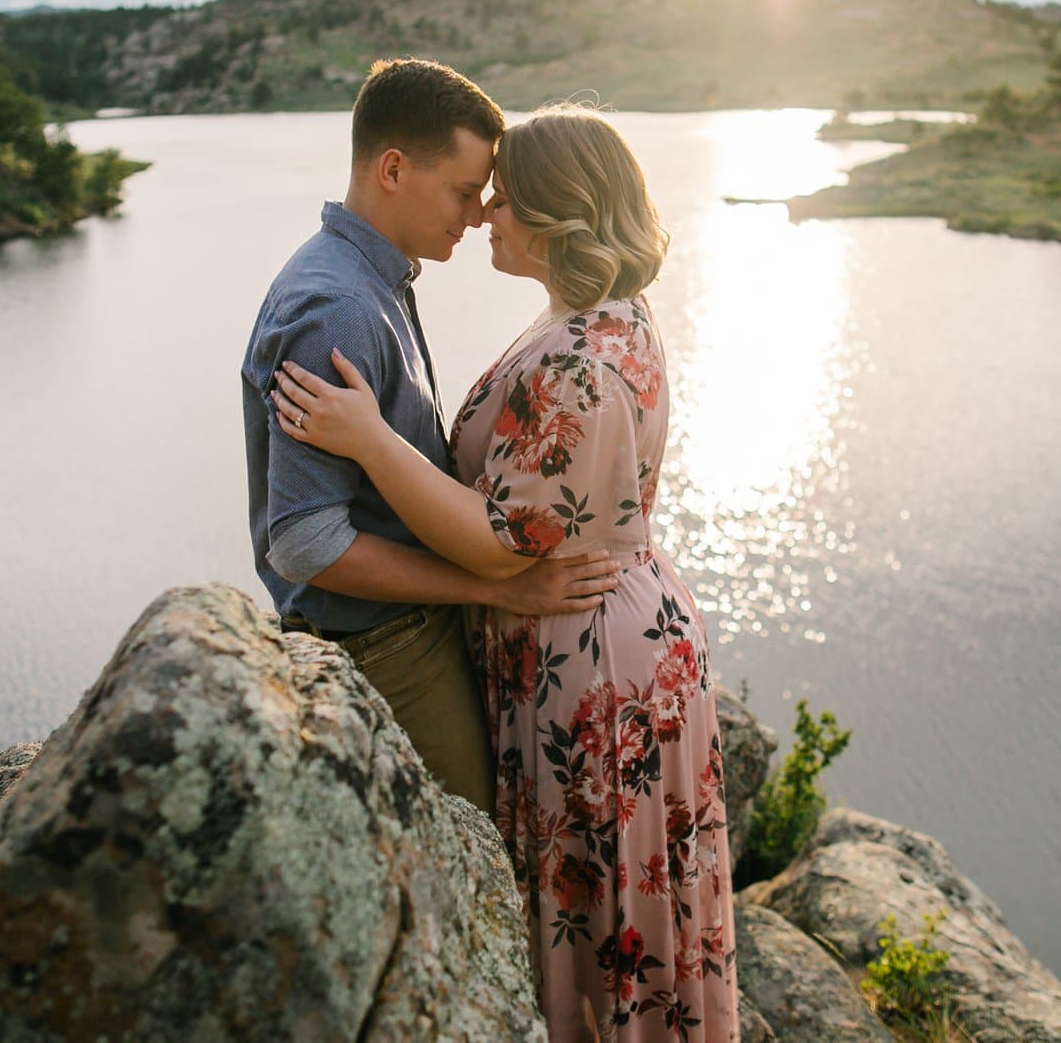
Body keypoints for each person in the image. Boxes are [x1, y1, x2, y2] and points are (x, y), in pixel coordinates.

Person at [272, 105, 738, 1040]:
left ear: (559, 216)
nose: (486, 214)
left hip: (589, 661)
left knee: (598, 908)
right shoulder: (599, 315)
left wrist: (367, 441)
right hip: (606, 626)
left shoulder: (578, 358)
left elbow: (496, 543)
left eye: (506, 201)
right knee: (619, 902)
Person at [242, 60, 620, 813]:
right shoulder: (337, 309)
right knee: (469, 853)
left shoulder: (372, 280)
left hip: (410, 635)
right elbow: (305, 543)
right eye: (463, 190)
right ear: (392, 169)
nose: (479, 214)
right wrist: (495, 584)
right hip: (387, 651)